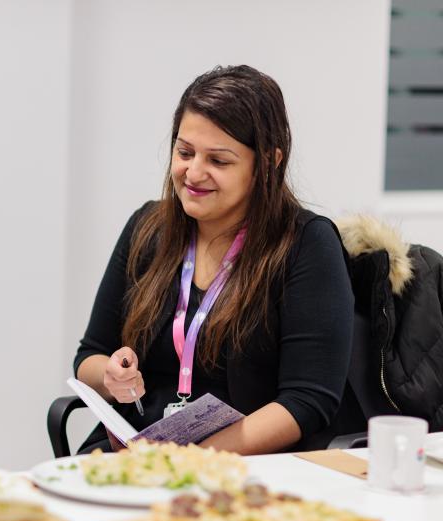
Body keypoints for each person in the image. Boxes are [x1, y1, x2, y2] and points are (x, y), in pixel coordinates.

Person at [74, 65, 354, 455]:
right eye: (184, 152)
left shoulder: (306, 243)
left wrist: (190, 460)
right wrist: (111, 377)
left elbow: (308, 401)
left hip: (240, 464)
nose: (194, 173)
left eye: (219, 161)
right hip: (132, 452)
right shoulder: (147, 228)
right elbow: (90, 356)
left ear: (269, 162)